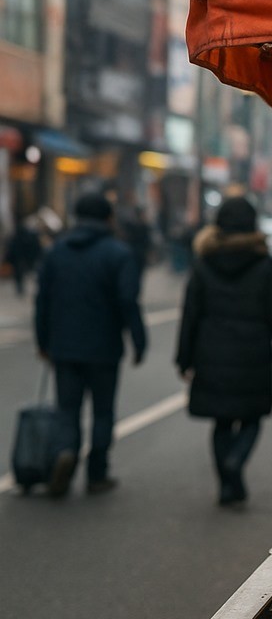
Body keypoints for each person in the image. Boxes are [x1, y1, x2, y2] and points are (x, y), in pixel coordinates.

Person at [34, 192, 147, 496]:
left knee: (67, 409)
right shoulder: (119, 253)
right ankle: (97, 473)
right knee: (102, 411)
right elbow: (128, 301)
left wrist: (42, 340)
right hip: (104, 347)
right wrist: (138, 341)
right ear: (109, 218)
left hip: (64, 347)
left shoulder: (57, 252)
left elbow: (42, 300)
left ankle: (66, 452)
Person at [175, 196, 272, 507]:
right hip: (253, 353)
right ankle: (236, 461)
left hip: (211, 351)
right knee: (251, 416)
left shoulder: (204, 263)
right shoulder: (265, 264)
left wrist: (184, 359)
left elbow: (190, 314)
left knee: (222, 420)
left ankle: (227, 486)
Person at [4, 213, 44, 296]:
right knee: (21, 273)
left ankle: (20, 288)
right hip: (23, 257)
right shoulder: (27, 235)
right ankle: (20, 288)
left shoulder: (16, 236)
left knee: (18, 274)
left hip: (18, 258)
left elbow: (11, 247)